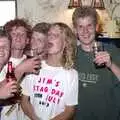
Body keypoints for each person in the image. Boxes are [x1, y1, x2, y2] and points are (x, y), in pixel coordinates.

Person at [21, 22, 78, 120]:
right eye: (48, 35)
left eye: (55, 35)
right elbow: (24, 100)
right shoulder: (34, 66)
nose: (50, 38)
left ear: (65, 43)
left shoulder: (71, 75)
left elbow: (70, 110)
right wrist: (35, 118)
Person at [72, 6, 120, 120]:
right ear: (75, 30)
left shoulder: (112, 50)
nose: (85, 31)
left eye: (89, 26)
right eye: (80, 27)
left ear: (96, 27)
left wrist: (111, 64)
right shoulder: (71, 54)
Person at [1, 18, 40, 120]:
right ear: (8, 38)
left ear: (27, 40)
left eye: (22, 34)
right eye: (14, 34)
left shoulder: (33, 63)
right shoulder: (2, 61)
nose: (18, 37)